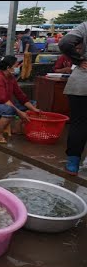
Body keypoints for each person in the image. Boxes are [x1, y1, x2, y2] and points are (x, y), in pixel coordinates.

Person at [0, 55, 40, 144]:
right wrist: (20, 113)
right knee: (9, 110)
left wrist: (34, 109)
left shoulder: (11, 78)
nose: (17, 67)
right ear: (8, 67)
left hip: (3, 104)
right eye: (16, 65)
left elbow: (20, 96)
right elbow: (3, 100)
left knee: (31, 103)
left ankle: (16, 128)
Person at [58, 22, 87, 175]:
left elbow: (64, 42)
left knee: (78, 124)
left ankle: (73, 165)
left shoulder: (85, 26)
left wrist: (78, 60)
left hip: (81, 83)